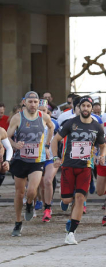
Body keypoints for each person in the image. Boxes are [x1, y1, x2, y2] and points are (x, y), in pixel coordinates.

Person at [51, 96, 106, 245]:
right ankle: (64, 202)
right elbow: (55, 140)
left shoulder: (97, 126)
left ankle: (71, 233)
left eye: (89, 106)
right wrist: (56, 157)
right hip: (69, 166)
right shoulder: (71, 123)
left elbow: (103, 146)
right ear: (79, 108)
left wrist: (102, 156)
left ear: (92, 108)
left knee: (80, 198)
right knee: (67, 199)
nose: (86, 109)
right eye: (84, 106)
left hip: (85, 167)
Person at [7, 91, 54, 237]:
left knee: (32, 191)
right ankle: (18, 221)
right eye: (30, 102)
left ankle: (29, 205)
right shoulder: (17, 118)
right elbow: (7, 137)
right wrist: (15, 145)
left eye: (35, 102)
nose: (33, 104)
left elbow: (51, 127)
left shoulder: (44, 117)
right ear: (24, 102)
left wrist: (46, 145)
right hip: (20, 159)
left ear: (38, 103)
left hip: (37, 160)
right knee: (19, 192)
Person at [37, 100, 60, 223]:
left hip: (51, 157)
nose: (41, 113)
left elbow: (62, 139)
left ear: (49, 112)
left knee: (48, 180)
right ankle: (40, 202)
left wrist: (60, 156)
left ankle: (48, 208)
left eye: (44, 111)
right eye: (39, 110)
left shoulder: (54, 123)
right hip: (37, 158)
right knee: (40, 185)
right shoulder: (32, 122)